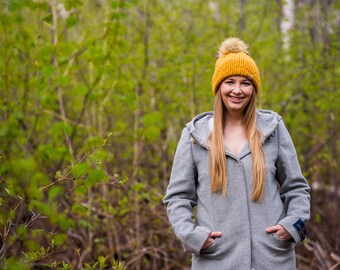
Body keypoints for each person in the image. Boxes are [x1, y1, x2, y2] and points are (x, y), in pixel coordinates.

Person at [163, 37, 311, 270]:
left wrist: (293, 225)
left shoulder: (273, 129)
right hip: (217, 260)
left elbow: (296, 188)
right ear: (218, 86)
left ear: (254, 88)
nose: (237, 90)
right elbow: (178, 198)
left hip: (272, 259)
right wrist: (193, 237)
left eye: (246, 83)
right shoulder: (195, 136)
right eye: (230, 82)